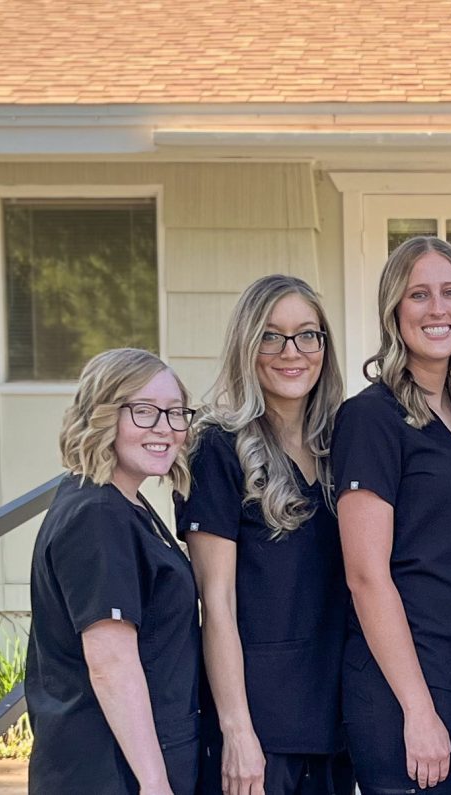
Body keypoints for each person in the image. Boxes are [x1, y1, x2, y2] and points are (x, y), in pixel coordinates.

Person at [334, 236, 451, 795]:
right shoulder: (370, 418)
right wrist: (417, 710)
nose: (437, 309)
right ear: (394, 310)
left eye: (450, 292)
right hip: (410, 691)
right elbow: (366, 577)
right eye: (418, 295)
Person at [179, 275, 353, 795]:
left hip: (337, 719)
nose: (291, 351)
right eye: (271, 336)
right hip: (260, 730)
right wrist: (237, 732)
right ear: (246, 345)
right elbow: (217, 603)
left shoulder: (342, 446)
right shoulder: (217, 449)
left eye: (307, 335)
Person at [28, 348, 205, 795]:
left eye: (175, 412)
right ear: (103, 415)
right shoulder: (97, 516)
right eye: (144, 411)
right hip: (111, 772)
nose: (164, 427)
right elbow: (111, 662)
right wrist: (154, 782)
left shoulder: (122, 501)